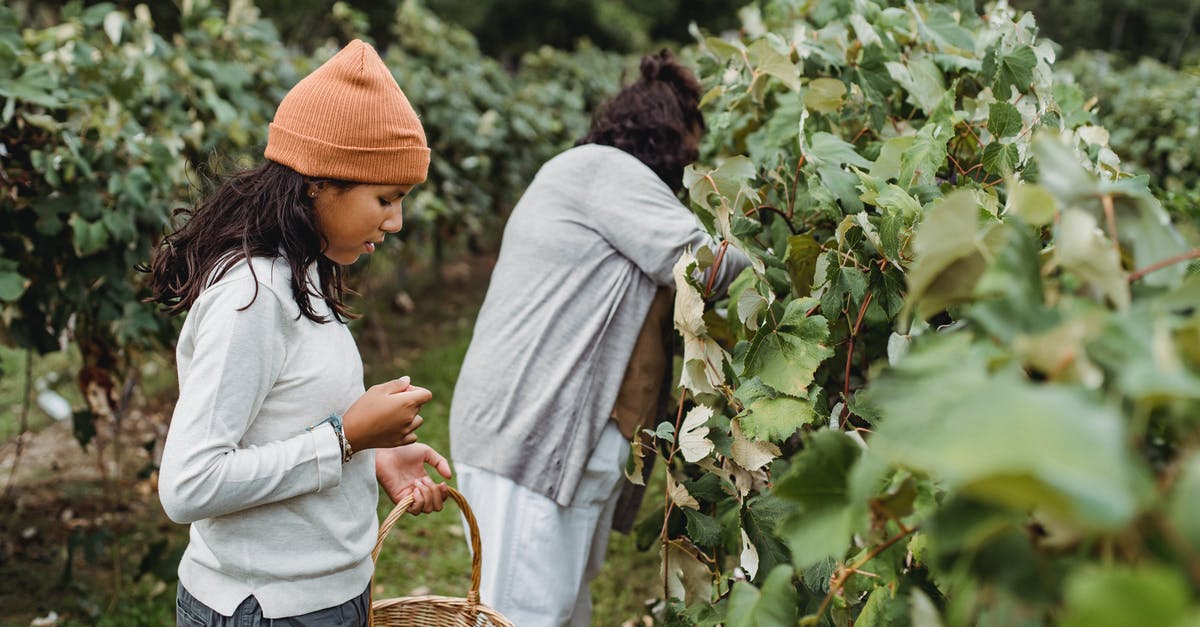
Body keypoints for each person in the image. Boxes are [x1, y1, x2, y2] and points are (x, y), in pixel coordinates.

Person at [148, 39, 452, 626]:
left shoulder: (302, 272)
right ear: (318, 183)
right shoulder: (252, 296)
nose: (396, 221)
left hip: (320, 598)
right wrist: (344, 440)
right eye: (385, 198)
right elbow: (188, 485)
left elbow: (281, 422)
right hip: (266, 609)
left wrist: (367, 460)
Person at [448, 49, 751, 626]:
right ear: (668, 140)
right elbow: (703, 265)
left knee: (561, 609)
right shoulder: (604, 172)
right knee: (522, 615)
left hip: (565, 437)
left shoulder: (600, 180)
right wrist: (770, 262)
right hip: (529, 433)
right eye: (692, 148)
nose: (694, 164)